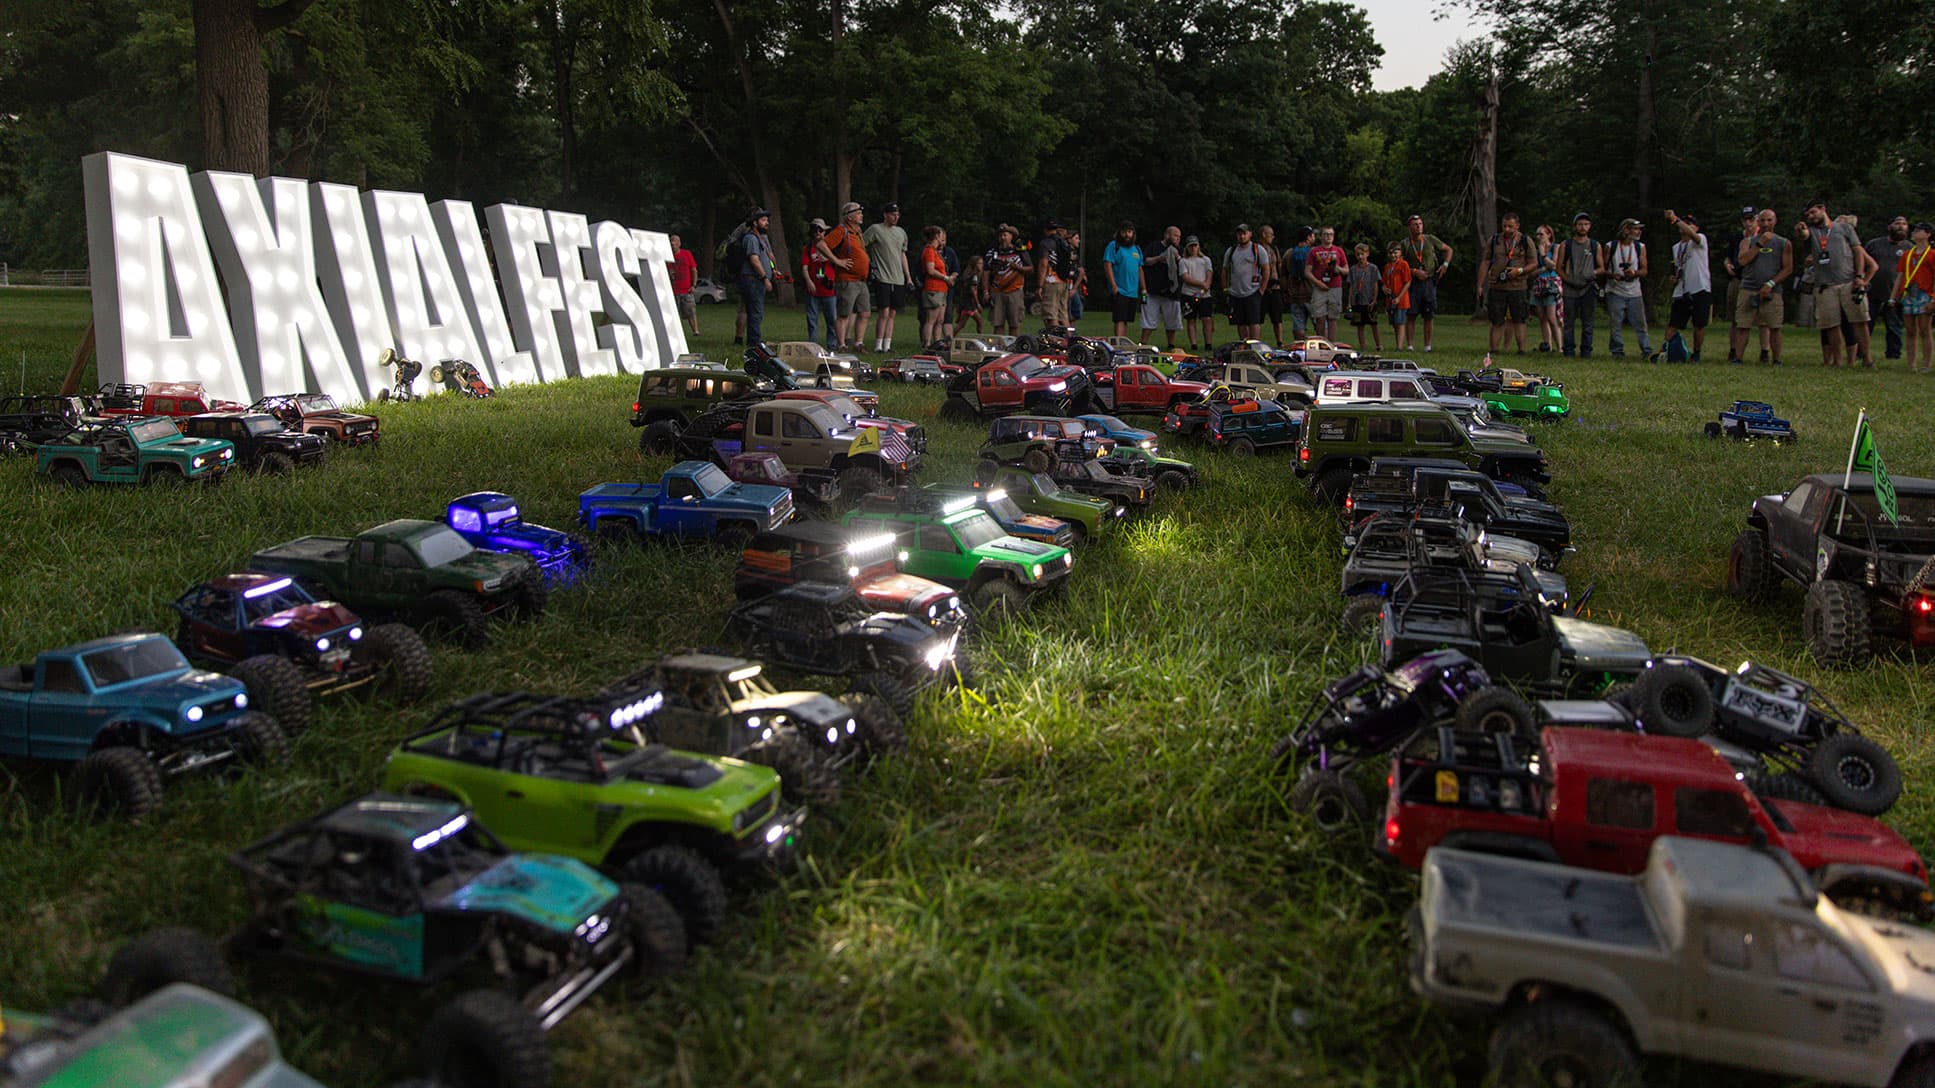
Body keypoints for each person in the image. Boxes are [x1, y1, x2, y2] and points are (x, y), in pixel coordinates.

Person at [1799, 199, 1878, 367]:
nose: (1811, 217)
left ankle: (1867, 358)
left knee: (1860, 320)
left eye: (1813, 212)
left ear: (1823, 209)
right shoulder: (1812, 232)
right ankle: (1838, 361)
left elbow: (1857, 251)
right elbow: (1803, 235)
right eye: (1808, 215)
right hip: (1825, 286)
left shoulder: (1844, 228)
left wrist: (1859, 276)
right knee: (1830, 323)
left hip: (1848, 282)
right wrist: (1801, 231)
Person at [1731, 208, 1792, 366]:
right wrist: (1760, 243)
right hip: (1748, 288)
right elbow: (1743, 261)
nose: (1765, 224)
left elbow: (1788, 268)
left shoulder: (1784, 243)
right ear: (1758, 222)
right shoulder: (1747, 242)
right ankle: (1738, 358)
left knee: (1775, 326)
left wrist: (1771, 284)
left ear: (1775, 221)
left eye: (1769, 220)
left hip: (1773, 290)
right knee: (1742, 325)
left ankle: (1776, 359)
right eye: (1762, 220)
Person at [1654, 210, 1711, 363]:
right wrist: (1675, 277)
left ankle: (1696, 354)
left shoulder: (1700, 240)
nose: (1685, 226)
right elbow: (1680, 266)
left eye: (1689, 223)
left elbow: (1692, 235)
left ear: (1696, 227)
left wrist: (1675, 219)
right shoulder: (1676, 247)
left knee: (1699, 324)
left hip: (1700, 287)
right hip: (1681, 289)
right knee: (1674, 323)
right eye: (1684, 222)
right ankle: (1665, 350)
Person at [1476, 211, 1537, 353]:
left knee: (1519, 319)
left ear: (1517, 226)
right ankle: (1494, 350)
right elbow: (1485, 261)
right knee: (1496, 320)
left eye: (1510, 226)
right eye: (1504, 226)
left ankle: (1521, 350)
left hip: (1518, 286)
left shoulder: (1526, 241)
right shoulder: (1495, 240)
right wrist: (1480, 284)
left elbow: (1534, 263)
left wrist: (1519, 271)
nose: (1507, 229)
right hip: (1497, 286)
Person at [818, 201, 871, 352]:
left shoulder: (858, 232)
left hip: (861, 280)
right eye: (858, 212)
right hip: (847, 280)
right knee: (844, 314)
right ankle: (841, 344)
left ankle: (858, 343)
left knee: (865, 312)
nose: (861, 215)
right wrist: (837, 261)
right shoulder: (842, 230)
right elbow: (822, 245)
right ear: (849, 216)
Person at [1398, 215, 1453, 352]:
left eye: (1420, 223)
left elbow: (1448, 250)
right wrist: (1414, 271)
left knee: (1428, 314)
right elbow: (1399, 264)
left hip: (1429, 281)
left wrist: (1445, 265)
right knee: (1411, 314)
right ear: (1409, 227)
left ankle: (1427, 346)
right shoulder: (1405, 244)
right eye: (1415, 224)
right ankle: (1410, 345)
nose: (1418, 226)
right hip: (1412, 282)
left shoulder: (1430, 239)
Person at [862, 203, 911, 353]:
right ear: (885, 215)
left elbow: (903, 254)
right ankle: (878, 345)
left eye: (897, 214)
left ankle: (887, 345)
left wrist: (908, 277)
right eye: (892, 214)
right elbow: (861, 246)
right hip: (882, 276)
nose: (895, 217)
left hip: (898, 278)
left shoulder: (901, 233)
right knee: (884, 311)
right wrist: (870, 264)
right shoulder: (875, 230)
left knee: (892, 313)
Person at [1603, 218, 1652, 359]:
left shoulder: (1640, 247)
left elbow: (1644, 270)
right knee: (1615, 323)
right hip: (1615, 290)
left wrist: (1634, 273)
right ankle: (1617, 351)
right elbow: (1603, 269)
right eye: (1635, 229)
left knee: (1640, 324)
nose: (1638, 232)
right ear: (1625, 230)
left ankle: (1646, 350)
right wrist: (1613, 275)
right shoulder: (1611, 246)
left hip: (1635, 291)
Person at [1557, 212, 1603, 358]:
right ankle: (1568, 350)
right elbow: (1558, 267)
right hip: (1570, 289)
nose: (1583, 227)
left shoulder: (1595, 245)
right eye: (1580, 224)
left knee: (1588, 322)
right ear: (1575, 226)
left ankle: (1586, 351)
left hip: (1588, 287)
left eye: (1586, 224)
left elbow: (1602, 267)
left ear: (1590, 227)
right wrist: (1568, 279)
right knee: (1568, 322)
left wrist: (1591, 273)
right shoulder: (1566, 245)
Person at [1867, 215, 1911, 361]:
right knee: (1867, 324)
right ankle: (1862, 353)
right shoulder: (1874, 244)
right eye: (1897, 223)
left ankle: (1893, 355)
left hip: (1896, 293)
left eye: (1904, 224)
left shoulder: (1909, 248)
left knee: (1894, 326)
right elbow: (1862, 263)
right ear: (1889, 226)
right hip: (1872, 291)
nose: (1901, 226)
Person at [1893, 221, 1935, 373]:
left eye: (1919, 230)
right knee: (1910, 330)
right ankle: (1911, 364)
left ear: (1928, 234)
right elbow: (1900, 275)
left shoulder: (1932, 254)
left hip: (1925, 293)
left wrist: (1933, 298)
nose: (1914, 233)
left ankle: (1926, 364)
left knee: (1925, 329)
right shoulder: (1907, 254)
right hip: (1908, 293)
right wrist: (1893, 296)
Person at [1221, 223, 1270, 340]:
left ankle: (1255, 345)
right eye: (1239, 234)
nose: (1242, 236)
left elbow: (1266, 269)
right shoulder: (1231, 251)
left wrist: (1262, 289)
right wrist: (1225, 289)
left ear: (1250, 234)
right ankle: (1244, 344)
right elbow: (1224, 270)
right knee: (1240, 322)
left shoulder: (1258, 250)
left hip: (1253, 291)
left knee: (1254, 321)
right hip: (1236, 292)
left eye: (1244, 233)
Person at [982, 224, 1032, 335]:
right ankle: (999, 348)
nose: (1003, 238)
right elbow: (986, 273)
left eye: (1005, 235)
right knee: (997, 323)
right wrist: (986, 291)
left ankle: (1013, 347)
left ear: (1011, 236)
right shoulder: (992, 253)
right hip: (997, 291)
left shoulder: (1020, 251)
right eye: (1000, 235)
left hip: (1015, 290)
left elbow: (1030, 268)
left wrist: (1017, 267)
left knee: (1014, 323)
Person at [736, 208, 776, 348]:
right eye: (763, 220)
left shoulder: (762, 239)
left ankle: (753, 340)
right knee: (755, 312)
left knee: (754, 311)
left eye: (767, 220)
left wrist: (773, 269)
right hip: (752, 280)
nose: (767, 223)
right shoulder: (751, 238)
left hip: (757, 280)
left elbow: (768, 258)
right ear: (754, 223)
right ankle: (754, 342)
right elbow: (754, 260)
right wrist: (765, 277)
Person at [1139, 225, 1183, 347]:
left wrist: (1177, 258)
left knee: (1172, 322)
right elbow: (1145, 261)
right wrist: (1160, 258)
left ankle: (1171, 345)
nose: (1177, 239)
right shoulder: (1154, 246)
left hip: (1171, 292)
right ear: (1167, 235)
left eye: (1179, 237)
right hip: (1153, 290)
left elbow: (1184, 266)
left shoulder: (1179, 249)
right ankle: (1143, 344)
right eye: (1175, 235)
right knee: (1148, 321)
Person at [800, 218, 839, 349]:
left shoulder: (831, 247)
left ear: (825, 232)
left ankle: (832, 345)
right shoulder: (808, 249)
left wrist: (828, 258)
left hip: (829, 289)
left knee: (832, 320)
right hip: (813, 289)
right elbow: (804, 267)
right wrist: (809, 281)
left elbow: (839, 263)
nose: (818, 233)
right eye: (815, 230)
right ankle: (813, 345)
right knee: (812, 319)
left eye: (821, 230)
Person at [1304, 226, 1348, 340]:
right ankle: (1321, 342)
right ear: (1321, 236)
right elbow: (1307, 272)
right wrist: (1317, 283)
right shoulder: (1314, 251)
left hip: (1335, 287)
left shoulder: (1339, 251)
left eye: (1331, 234)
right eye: (1326, 234)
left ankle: (1331, 344)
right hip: (1320, 287)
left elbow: (1346, 269)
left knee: (1333, 317)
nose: (1328, 237)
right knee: (1320, 317)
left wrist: (1338, 269)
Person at [1102, 220, 1144, 340]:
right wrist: (1114, 285)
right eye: (1124, 232)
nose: (1127, 235)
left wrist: (1144, 288)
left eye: (1129, 232)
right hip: (1120, 289)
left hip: (1132, 291)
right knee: (1119, 318)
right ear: (1119, 233)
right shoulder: (1113, 246)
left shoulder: (1136, 249)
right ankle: (1118, 343)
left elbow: (1140, 269)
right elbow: (1107, 264)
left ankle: (1123, 342)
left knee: (1126, 319)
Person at [1720, 207, 1755, 343]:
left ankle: (1765, 351)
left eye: (1751, 219)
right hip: (1737, 278)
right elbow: (1728, 257)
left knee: (1763, 321)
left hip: (1755, 280)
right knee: (1735, 318)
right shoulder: (1736, 237)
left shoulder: (1763, 237)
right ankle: (1733, 349)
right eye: (1745, 220)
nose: (1748, 223)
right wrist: (1727, 265)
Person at [917, 225, 954, 347]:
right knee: (931, 319)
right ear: (936, 236)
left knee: (940, 319)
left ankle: (938, 343)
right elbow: (930, 270)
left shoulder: (935, 251)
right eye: (941, 235)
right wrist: (945, 278)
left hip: (942, 289)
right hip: (933, 289)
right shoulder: (928, 251)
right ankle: (927, 343)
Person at [1529, 224, 1563, 352]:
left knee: (1551, 316)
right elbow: (1532, 271)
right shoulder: (1535, 251)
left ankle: (1560, 346)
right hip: (1538, 284)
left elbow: (1554, 265)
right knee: (1542, 316)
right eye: (1537, 234)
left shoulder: (1555, 247)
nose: (1538, 237)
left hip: (1551, 284)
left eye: (1541, 234)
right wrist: (1542, 268)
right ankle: (1547, 345)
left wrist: (1543, 255)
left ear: (1549, 234)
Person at [1037, 219, 1077, 329]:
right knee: (1063, 315)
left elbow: (1043, 264)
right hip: (1064, 282)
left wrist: (1039, 286)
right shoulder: (1063, 242)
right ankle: (1069, 340)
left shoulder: (1045, 243)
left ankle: (1055, 342)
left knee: (1051, 315)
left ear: (1045, 230)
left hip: (1052, 281)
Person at [1177, 235, 1215, 349]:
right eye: (1191, 246)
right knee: (1190, 319)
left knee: (1207, 319)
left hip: (1205, 294)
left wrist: (1205, 286)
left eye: (1195, 245)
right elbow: (1185, 277)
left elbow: (1209, 274)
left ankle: (1208, 343)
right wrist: (1201, 284)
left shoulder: (1206, 260)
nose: (1193, 248)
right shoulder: (1183, 261)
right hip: (1188, 293)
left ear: (1198, 246)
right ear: (1187, 248)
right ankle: (1194, 344)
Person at [1346, 242, 1382, 351]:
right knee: (1359, 325)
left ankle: (1378, 345)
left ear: (1367, 254)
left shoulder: (1373, 268)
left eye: (1362, 254)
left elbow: (1376, 284)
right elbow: (1351, 286)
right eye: (1358, 254)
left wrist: (1375, 299)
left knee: (1373, 324)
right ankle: (1362, 346)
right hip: (1357, 301)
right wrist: (1349, 302)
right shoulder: (1353, 269)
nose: (1360, 257)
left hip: (1369, 300)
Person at [1283, 227, 1315, 339]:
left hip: (1295, 294)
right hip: (1312, 293)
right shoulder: (1313, 252)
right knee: (1320, 324)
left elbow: (1284, 274)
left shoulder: (1289, 253)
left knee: (1298, 325)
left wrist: (1286, 291)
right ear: (1308, 237)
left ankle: (1300, 347)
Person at [668, 233, 700, 336]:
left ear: (679, 243)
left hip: (686, 289)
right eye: (671, 241)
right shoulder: (667, 257)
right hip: (673, 290)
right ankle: (675, 333)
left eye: (675, 241)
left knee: (690, 311)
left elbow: (693, 269)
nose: (673, 243)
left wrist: (694, 284)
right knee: (673, 313)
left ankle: (695, 331)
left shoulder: (686, 254)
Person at [1382, 242, 1413, 350]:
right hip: (1390, 299)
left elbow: (1407, 282)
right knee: (1394, 322)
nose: (1393, 255)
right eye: (1391, 253)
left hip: (1401, 299)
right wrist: (1384, 288)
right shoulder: (1387, 266)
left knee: (1400, 322)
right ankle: (1397, 344)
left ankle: (1399, 347)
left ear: (1400, 253)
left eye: (1396, 252)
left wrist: (1399, 297)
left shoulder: (1403, 264)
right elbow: (1384, 282)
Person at [1258, 224, 1286, 343]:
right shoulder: (1256, 249)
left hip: (1275, 287)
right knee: (1258, 318)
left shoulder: (1274, 249)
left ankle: (1279, 341)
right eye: (1271, 234)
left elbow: (1279, 265)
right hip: (1261, 287)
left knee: (1277, 318)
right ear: (1264, 235)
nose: (1272, 237)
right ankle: (1256, 341)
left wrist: (1281, 282)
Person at [955, 253, 985, 334]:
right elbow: (973, 290)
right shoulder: (974, 276)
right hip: (969, 304)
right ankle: (949, 339)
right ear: (974, 264)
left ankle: (981, 338)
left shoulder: (968, 275)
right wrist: (978, 303)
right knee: (962, 324)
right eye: (979, 263)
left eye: (982, 263)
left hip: (966, 302)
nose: (981, 265)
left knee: (979, 322)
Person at [1066, 231, 1087, 322]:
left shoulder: (1074, 254)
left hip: (1073, 285)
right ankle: (1067, 331)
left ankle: (1071, 331)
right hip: (1067, 285)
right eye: (1076, 238)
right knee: (1068, 311)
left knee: (1076, 311)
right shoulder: (1066, 253)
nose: (1079, 241)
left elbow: (1080, 270)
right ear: (1069, 240)